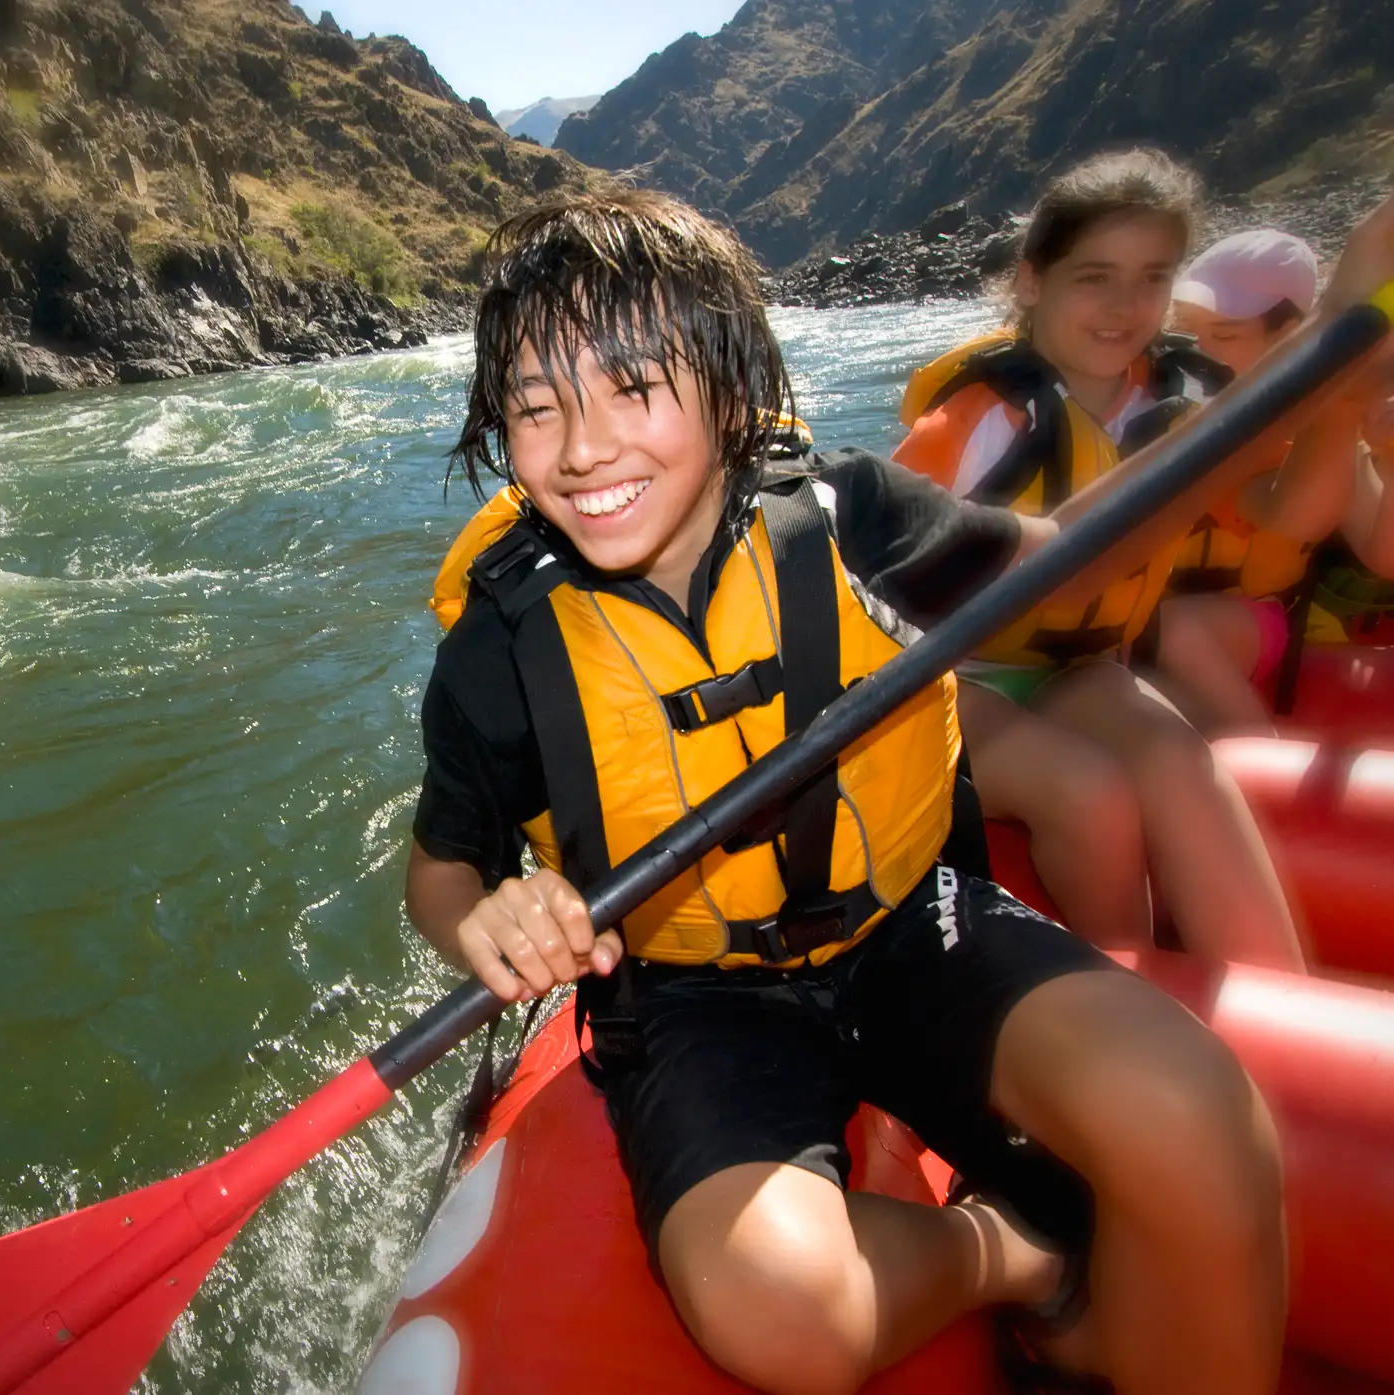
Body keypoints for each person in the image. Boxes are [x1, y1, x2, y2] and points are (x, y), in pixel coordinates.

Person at [404, 185, 1394, 1395]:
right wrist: (484, 918)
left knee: (1194, 1106)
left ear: (728, 384)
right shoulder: (499, 652)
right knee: (775, 1313)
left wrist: (1325, 366)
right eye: (536, 407)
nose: (582, 448)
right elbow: (443, 869)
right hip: (695, 998)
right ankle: (1015, 1253)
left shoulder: (851, 512)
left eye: (632, 387)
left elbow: (1083, 554)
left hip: (910, 923)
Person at [893, 151, 1300, 969]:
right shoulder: (970, 423)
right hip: (950, 680)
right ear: (1033, 279)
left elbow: (1280, 528)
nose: (1125, 307)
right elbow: (869, 575)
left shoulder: (1172, 402)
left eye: (1152, 278)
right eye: (1095, 277)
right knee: (1092, 794)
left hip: (1077, 663)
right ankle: (1130, 999)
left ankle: (1283, 1013)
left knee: (1179, 756)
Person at [1156, 232, 1394, 730]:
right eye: (1190, 333)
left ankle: (1262, 754)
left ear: (1290, 336)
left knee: (1176, 628)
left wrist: (1391, 462)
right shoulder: (1184, 411)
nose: (1199, 353)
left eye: (1223, 335)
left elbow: (1383, 554)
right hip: (1167, 635)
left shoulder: (1329, 432)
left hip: (1248, 625)